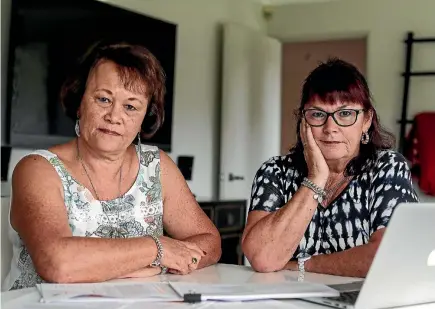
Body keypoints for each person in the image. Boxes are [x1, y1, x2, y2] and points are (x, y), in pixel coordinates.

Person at [3, 41, 221, 291]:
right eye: (104, 99)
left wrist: (155, 263)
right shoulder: (37, 169)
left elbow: (210, 242)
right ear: (79, 102)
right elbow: (57, 262)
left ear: (144, 117)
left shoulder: (156, 166)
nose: (114, 116)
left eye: (130, 106)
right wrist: (157, 249)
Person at [242, 58, 418, 278]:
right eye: (317, 114)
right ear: (303, 121)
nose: (330, 128)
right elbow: (261, 257)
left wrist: (302, 265)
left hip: (361, 304)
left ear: (366, 120)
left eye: (345, 114)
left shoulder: (387, 168)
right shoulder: (275, 172)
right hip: (287, 306)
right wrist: (316, 179)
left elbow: (389, 257)